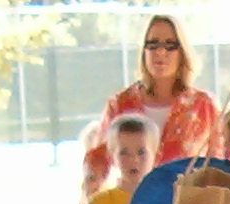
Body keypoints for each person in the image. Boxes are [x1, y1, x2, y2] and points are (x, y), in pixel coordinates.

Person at [83, 12, 221, 186]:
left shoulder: (204, 105)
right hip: (132, 200)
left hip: (187, 201)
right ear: (144, 51)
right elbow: (97, 164)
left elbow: (222, 167)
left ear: (182, 52)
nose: (160, 52)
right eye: (153, 44)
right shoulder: (119, 104)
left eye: (170, 45)